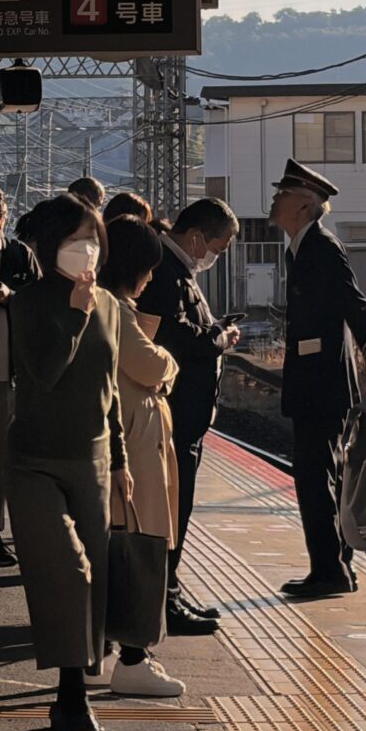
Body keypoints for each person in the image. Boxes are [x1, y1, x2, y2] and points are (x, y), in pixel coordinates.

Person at [6, 193, 131, 731]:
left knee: (94, 583)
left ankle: (68, 692)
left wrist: (122, 459)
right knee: (67, 570)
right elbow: (45, 373)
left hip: (95, 459)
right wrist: (76, 315)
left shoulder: (109, 304)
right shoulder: (30, 303)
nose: (88, 251)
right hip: (34, 460)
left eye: (94, 241)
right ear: (49, 244)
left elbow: (110, 392)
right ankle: (74, 698)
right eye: (76, 240)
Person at [269, 159, 366, 601]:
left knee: (315, 478)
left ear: (303, 205)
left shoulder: (321, 245)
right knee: (322, 477)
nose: (274, 200)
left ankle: (331, 570)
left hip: (324, 385)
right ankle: (335, 565)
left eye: (282, 194)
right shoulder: (299, 246)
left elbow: (355, 305)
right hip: (313, 383)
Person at [138, 198, 240, 635]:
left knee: (177, 510)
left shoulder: (178, 271)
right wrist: (218, 337)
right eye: (220, 244)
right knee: (171, 512)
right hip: (175, 414)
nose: (219, 255)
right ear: (197, 237)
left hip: (186, 416)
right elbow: (174, 335)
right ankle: (165, 601)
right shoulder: (164, 270)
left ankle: (171, 593)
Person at [97, 215, 186, 697]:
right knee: (141, 547)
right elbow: (148, 364)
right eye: (147, 269)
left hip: (128, 440)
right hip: (133, 446)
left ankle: (109, 649)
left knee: (124, 547)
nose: (150, 278)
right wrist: (169, 360)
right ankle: (134, 658)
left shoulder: (105, 304)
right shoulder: (115, 308)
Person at [0, 187, 38, 567]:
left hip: (4, 373)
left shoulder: (17, 255)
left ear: (4, 218)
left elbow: (40, 303)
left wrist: (11, 296)